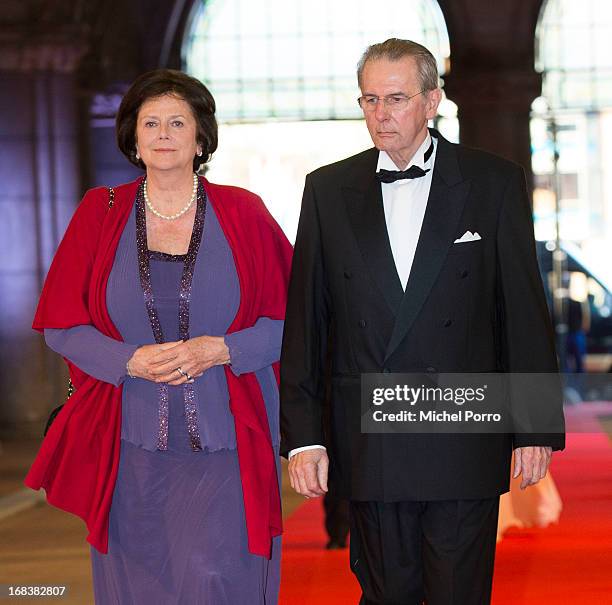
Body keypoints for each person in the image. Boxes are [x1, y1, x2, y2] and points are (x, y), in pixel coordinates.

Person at [280, 39, 565, 604]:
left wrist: (534, 429)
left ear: (432, 100)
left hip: (464, 423)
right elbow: (307, 321)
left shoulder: (492, 183)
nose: (381, 114)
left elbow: (522, 311)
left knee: (460, 593)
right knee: (387, 593)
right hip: (371, 432)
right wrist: (304, 437)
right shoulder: (328, 189)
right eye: (368, 100)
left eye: (396, 98)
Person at [25, 69, 292, 604]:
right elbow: (61, 324)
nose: (164, 133)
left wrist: (224, 348)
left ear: (200, 138)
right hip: (128, 447)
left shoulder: (244, 212)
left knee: (221, 581)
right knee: (141, 586)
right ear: (134, 136)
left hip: (226, 443)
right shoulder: (99, 212)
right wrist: (127, 360)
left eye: (177, 122)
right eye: (151, 123)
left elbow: (297, 323)